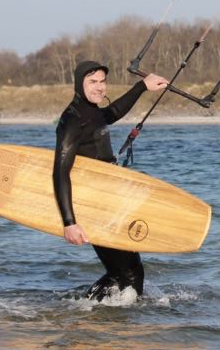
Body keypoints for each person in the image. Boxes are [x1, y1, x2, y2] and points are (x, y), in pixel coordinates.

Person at [53, 60, 169, 301]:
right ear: (79, 84)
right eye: (92, 82)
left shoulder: (91, 111)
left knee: (124, 272)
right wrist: (69, 223)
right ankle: (109, 320)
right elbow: (60, 172)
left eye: (102, 81)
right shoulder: (72, 120)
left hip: (106, 199)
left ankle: (95, 315)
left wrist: (142, 86)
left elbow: (112, 113)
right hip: (92, 205)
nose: (99, 87)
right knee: (129, 273)